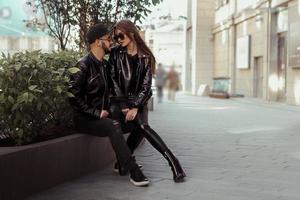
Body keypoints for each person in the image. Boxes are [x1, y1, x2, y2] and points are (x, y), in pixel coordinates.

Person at [68, 24, 149, 187]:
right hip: (86, 118)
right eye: (108, 39)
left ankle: (121, 163)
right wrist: (95, 112)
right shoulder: (82, 65)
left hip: (104, 114)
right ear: (98, 42)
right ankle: (133, 170)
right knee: (113, 125)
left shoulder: (104, 65)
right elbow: (73, 97)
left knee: (140, 125)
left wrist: (129, 106)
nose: (112, 42)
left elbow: (116, 88)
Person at [108, 19, 186, 183]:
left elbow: (146, 86)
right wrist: (124, 106)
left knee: (141, 126)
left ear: (131, 33)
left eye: (120, 36)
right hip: (119, 101)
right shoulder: (116, 53)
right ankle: (173, 162)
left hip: (138, 101)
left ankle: (172, 162)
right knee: (141, 126)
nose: (118, 40)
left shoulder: (146, 56)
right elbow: (113, 81)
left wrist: (136, 106)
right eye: (116, 38)